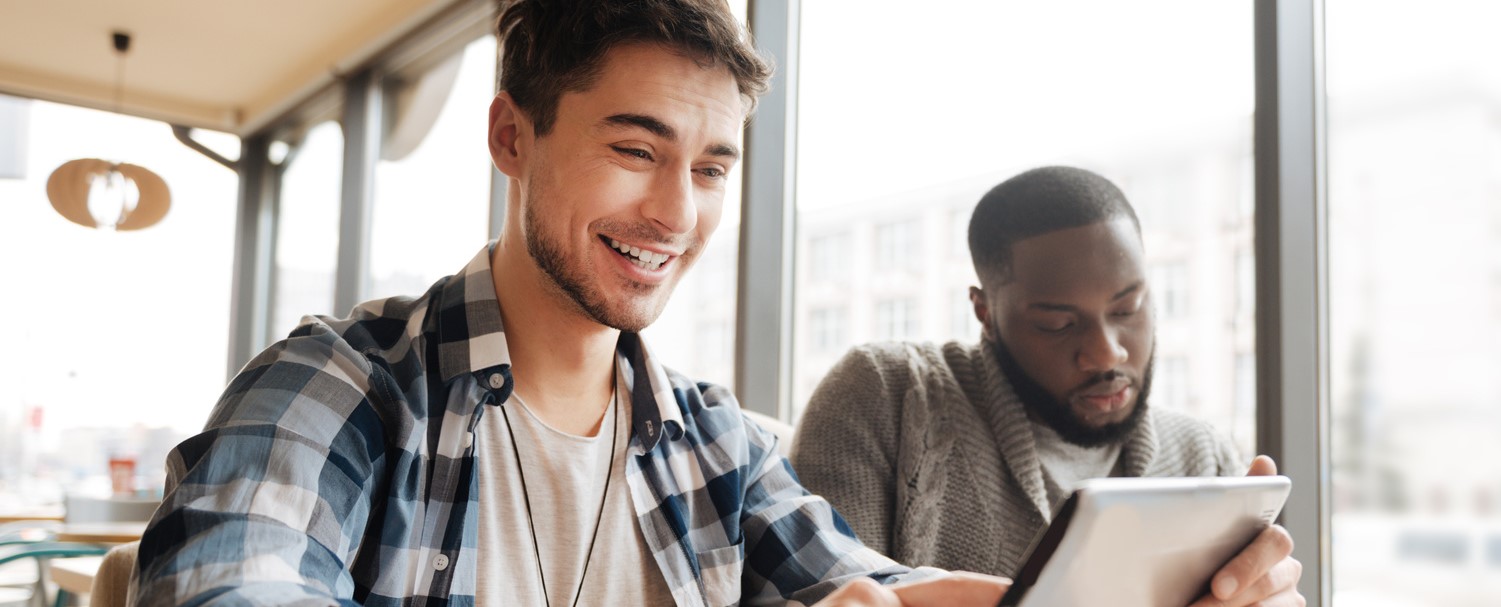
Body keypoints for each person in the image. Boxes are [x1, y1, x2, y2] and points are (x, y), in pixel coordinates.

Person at [128, 1, 1004, 605]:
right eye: (633, 149)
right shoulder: (342, 383)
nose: (676, 214)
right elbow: (231, 583)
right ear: (512, 137)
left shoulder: (713, 441)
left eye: (709, 169)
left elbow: (860, 583)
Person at [792, 166, 1303, 606]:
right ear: (985, 312)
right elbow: (830, 596)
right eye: (1058, 324)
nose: (1107, 353)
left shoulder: (1203, 455)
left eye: (1128, 309)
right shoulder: (885, 396)